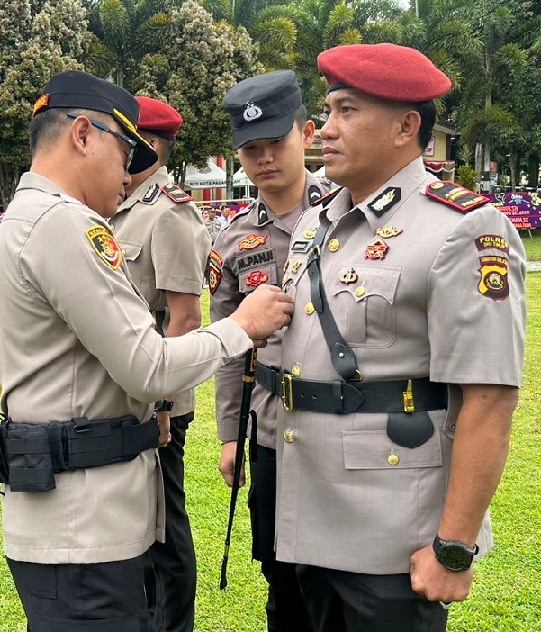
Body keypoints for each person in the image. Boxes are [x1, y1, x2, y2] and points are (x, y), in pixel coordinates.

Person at [0, 70, 293, 632]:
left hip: (78, 510)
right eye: (124, 153)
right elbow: (148, 366)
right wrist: (242, 327)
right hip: (82, 526)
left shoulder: (30, 215)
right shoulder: (62, 223)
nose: (128, 174)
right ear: (83, 135)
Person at [264, 43, 527, 631]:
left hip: (392, 536)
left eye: (347, 111)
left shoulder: (463, 229)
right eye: (327, 110)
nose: (324, 130)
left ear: (407, 126)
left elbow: (489, 400)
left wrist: (453, 548)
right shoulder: (319, 220)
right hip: (311, 514)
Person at [209, 68, 326, 632]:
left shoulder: (346, 217)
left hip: (340, 425)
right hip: (272, 429)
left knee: (338, 577)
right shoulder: (231, 237)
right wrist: (230, 435)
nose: (264, 159)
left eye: (276, 142)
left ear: (306, 134)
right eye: (250, 149)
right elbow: (228, 349)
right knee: (281, 576)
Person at [107, 95, 208, 632]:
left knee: (165, 528)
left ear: (149, 145)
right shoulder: (112, 205)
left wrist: (163, 403)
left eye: (123, 137)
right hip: (123, 391)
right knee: (135, 526)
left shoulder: (169, 212)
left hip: (159, 401)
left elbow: (185, 318)